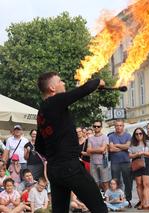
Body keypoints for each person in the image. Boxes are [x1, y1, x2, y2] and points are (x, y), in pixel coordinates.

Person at [35, 72, 107, 212]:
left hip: (54, 170)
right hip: (69, 167)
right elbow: (83, 90)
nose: (63, 83)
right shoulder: (55, 101)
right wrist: (98, 82)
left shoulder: (42, 111)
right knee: (99, 208)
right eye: (60, 81)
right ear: (52, 88)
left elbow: (39, 145)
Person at [128, 128, 149, 210]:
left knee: (146, 184)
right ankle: (142, 202)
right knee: (139, 184)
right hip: (136, 163)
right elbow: (129, 155)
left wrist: (142, 152)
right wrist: (137, 154)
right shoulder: (132, 144)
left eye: (140, 133)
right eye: (136, 134)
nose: (138, 135)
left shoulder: (147, 143)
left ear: (143, 134)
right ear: (134, 135)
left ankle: (146, 203)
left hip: (146, 162)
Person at [108, 119, 132, 207]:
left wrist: (117, 145)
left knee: (128, 182)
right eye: (117, 125)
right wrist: (123, 147)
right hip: (115, 162)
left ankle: (128, 200)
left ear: (123, 126)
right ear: (115, 127)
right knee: (115, 183)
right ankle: (117, 200)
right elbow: (111, 149)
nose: (119, 127)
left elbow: (127, 146)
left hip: (126, 162)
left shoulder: (128, 135)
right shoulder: (111, 136)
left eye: (120, 125)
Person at [87, 120, 109, 191]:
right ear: (93, 127)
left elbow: (102, 149)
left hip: (103, 162)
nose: (96, 127)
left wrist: (92, 150)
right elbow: (88, 151)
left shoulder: (105, 137)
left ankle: (107, 200)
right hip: (93, 163)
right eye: (95, 126)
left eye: (98, 126)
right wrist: (99, 150)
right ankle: (97, 201)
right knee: (95, 183)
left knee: (105, 183)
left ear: (101, 127)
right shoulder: (90, 138)